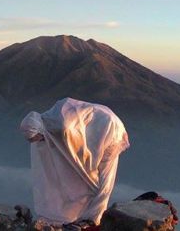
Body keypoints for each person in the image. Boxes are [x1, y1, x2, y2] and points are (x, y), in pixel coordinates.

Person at [20, 98, 129, 230]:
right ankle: (82, 217)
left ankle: (93, 219)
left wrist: (88, 174)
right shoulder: (49, 125)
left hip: (109, 130)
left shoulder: (62, 127)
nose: (40, 141)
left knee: (104, 179)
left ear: (40, 130)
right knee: (89, 178)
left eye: (39, 138)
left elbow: (77, 152)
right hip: (94, 129)